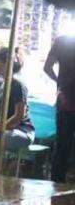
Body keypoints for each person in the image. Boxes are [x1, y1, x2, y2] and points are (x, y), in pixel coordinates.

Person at [44, 35, 75, 182]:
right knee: (63, 144)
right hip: (66, 100)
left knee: (63, 144)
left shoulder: (63, 41)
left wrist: (59, 82)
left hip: (66, 100)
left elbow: (47, 67)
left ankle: (57, 183)